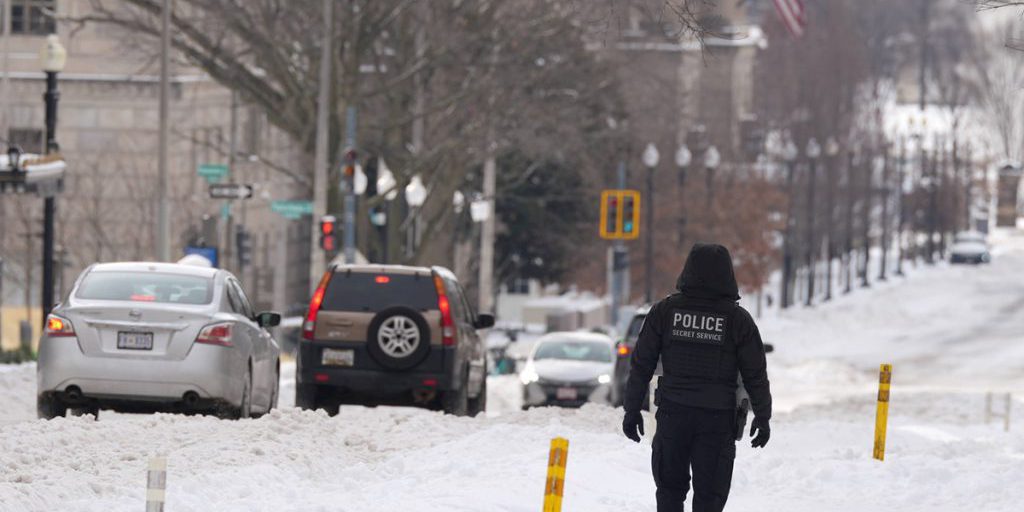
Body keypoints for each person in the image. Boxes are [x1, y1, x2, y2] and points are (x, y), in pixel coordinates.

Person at [622, 243, 772, 512]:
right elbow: (755, 375)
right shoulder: (738, 321)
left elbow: (641, 365)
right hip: (717, 421)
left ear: (688, 269)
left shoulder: (664, 312)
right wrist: (763, 416)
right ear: (727, 273)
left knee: (669, 494)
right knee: (709, 500)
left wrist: (631, 409)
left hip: (673, 416)